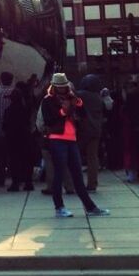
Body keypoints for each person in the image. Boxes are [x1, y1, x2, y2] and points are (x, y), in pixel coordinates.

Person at [39, 73, 110, 218]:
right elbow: (49, 120)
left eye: (64, 86)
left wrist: (77, 105)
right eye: (60, 87)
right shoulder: (48, 100)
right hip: (57, 139)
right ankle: (59, 207)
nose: (63, 89)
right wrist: (63, 111)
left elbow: (83, 116)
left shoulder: (72, 99)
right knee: (60, 173)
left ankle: (90, 207)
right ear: (54, 87)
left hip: (71, 139)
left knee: (77, 173)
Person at [76, 75, 108, 192]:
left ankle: (77, 183)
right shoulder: (98, 97)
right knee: (92, 157)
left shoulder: (80, 95)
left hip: (81, 130)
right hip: (96, 129)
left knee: (75, 156)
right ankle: (92, 183)